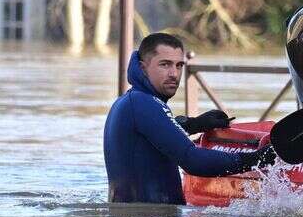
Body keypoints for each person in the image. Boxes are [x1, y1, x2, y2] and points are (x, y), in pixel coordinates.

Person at [104, 32, 276, 205]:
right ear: (143, 68)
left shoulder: (130, 101)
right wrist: (256, 159)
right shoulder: (143, 103)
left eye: (179, 66)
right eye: (165, 64)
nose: (174, 74)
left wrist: (194, 124)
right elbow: (192, 160)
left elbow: (155, 134)